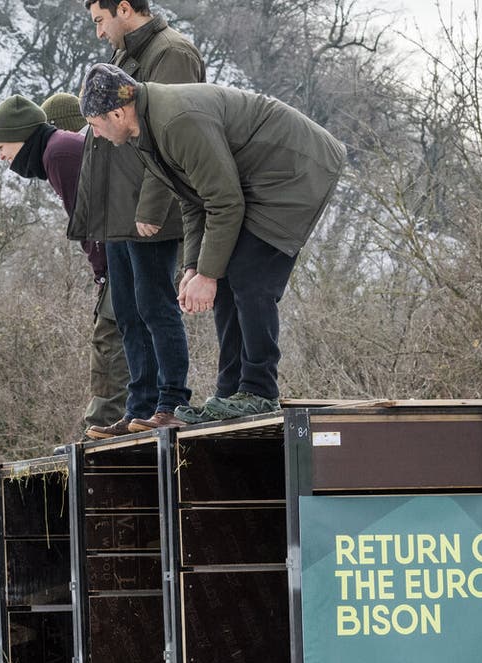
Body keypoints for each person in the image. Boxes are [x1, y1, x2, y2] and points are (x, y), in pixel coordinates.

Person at [81, 64, 346, 421]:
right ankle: (231, 392)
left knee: (249, 277)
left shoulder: (176, 121)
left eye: (95, 125)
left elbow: (225, 202)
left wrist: (207, 274)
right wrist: (195, 268)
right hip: (253, 178)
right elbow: (193, 202)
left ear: (117, 112)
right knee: (223, 275)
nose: (95, 134)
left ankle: (259, 390)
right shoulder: (143, 131)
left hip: (294, 167)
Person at [71, 0, 204, 435]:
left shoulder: (172, 52)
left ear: (123, 8)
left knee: (155, 305)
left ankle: (171, 403)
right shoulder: (124, 52)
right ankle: (140, 407)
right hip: (117, 211)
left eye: (99, 21)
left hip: (150, 211)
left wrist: (150, 206)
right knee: (127, 310)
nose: (98, 33)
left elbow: (172, 137)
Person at [0, 95, 128, 441]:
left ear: (20, 135)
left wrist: (102, 269)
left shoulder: (58, 153)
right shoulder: (57, 150)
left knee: (110, 335)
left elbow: (89, 219)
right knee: (121, 332)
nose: (1, 156)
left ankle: (103, 423)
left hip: (123, 250)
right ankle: (118, 415)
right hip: (123, 249)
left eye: (2, 146)